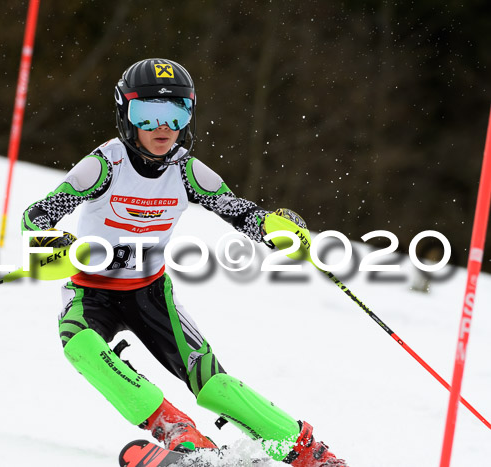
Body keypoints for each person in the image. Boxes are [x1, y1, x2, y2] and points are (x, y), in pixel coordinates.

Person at [22, 58, 348, 466]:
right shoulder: (104, 166)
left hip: (151, 294)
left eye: (177, 113)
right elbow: (36, 217)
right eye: (148, 114)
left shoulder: (187, 172)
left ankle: (305, 451)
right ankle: (180, 433)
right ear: (126, 114)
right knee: (79, 343)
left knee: (212, 384)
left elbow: (241, 212)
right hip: (92, 291)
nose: (164, 128)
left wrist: (274, 228)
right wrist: (54, 245)